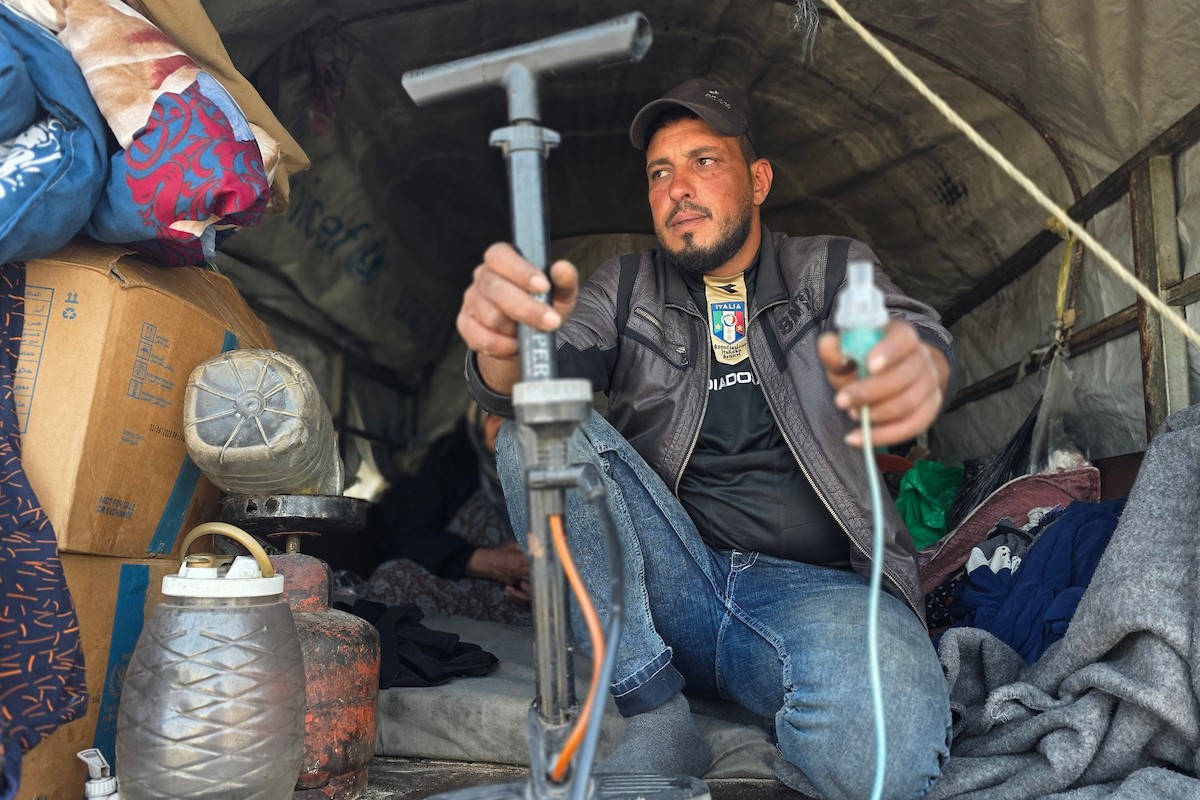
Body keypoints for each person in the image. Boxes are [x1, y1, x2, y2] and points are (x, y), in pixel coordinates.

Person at [457, 78, 956, 799]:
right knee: (532, 430)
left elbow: (905, 330)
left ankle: (770, 697)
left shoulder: (828, 268)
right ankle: (655, 708)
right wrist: (504, 344)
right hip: (671, 587)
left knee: (880, 762)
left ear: (759, 180)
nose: (678, 189)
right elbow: (530, 379)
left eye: (704, 162)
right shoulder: (625, 288)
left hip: (822, 595)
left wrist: (914, 364)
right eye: (660, 173)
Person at [366, 404, 532, 626]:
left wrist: (539, 584)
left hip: (532, 605)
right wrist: (488, 562)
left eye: (515, 416)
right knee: (391, 579)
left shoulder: (558, 475)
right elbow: (408, 537)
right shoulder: (452, 460)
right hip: (463, 590)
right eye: (494, 414)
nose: (504, 425)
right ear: (479, 420)